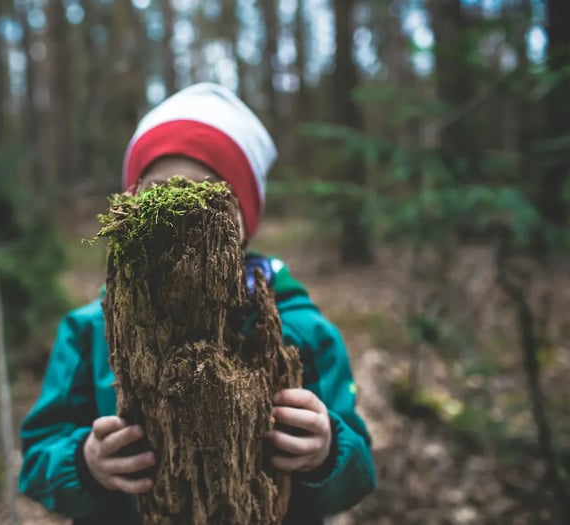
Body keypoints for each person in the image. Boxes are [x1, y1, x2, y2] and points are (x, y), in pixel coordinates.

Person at [19, 82, 376, 524]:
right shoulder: (91, 332)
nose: (187, 215)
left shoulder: (302, 331)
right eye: (161, 195)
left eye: (212, 197)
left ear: (245, 221)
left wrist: (328, 451)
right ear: (130, 209)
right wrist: (85, 464)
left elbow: (359, 472)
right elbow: (37, 459)